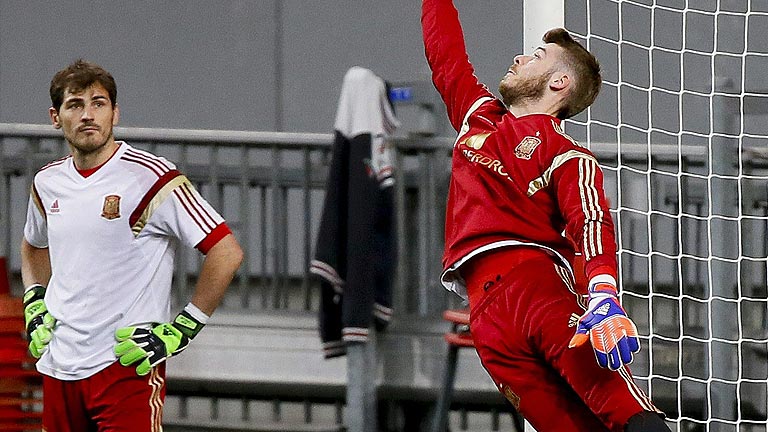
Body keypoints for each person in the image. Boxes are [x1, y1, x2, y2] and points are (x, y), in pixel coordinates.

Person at [422, 1, 672, 431]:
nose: (519, 58)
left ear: (559, 82)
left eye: (536, 56)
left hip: (537, 288)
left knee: (627, 414)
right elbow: (445, 53)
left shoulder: (567, 154)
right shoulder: (478, 117)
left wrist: (603, 295)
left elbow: (590, 221)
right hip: (486, 318)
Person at [20, 59, 244, 431]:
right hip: (59, 365)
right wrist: (34, 299)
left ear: (115, 113)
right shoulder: (48, 181)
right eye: (75, 104)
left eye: (99, 103)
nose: (88, 115)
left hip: (126, 366)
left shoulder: (153, 177)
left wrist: (183, 328)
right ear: (55, 118)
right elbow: (33, 245)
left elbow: (226, 251)